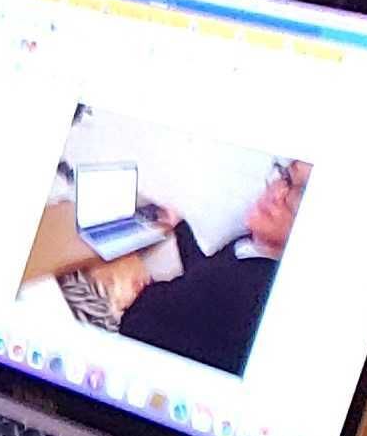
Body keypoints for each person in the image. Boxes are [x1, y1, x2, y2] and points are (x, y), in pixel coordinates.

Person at [94, 160, 312, 377]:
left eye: (300, 195)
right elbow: (206, 273)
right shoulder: (252, 246)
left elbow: (143, 328)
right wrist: (180, 227)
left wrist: (138, 295)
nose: (278, 192)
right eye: (286, 176)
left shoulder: (256, 296)